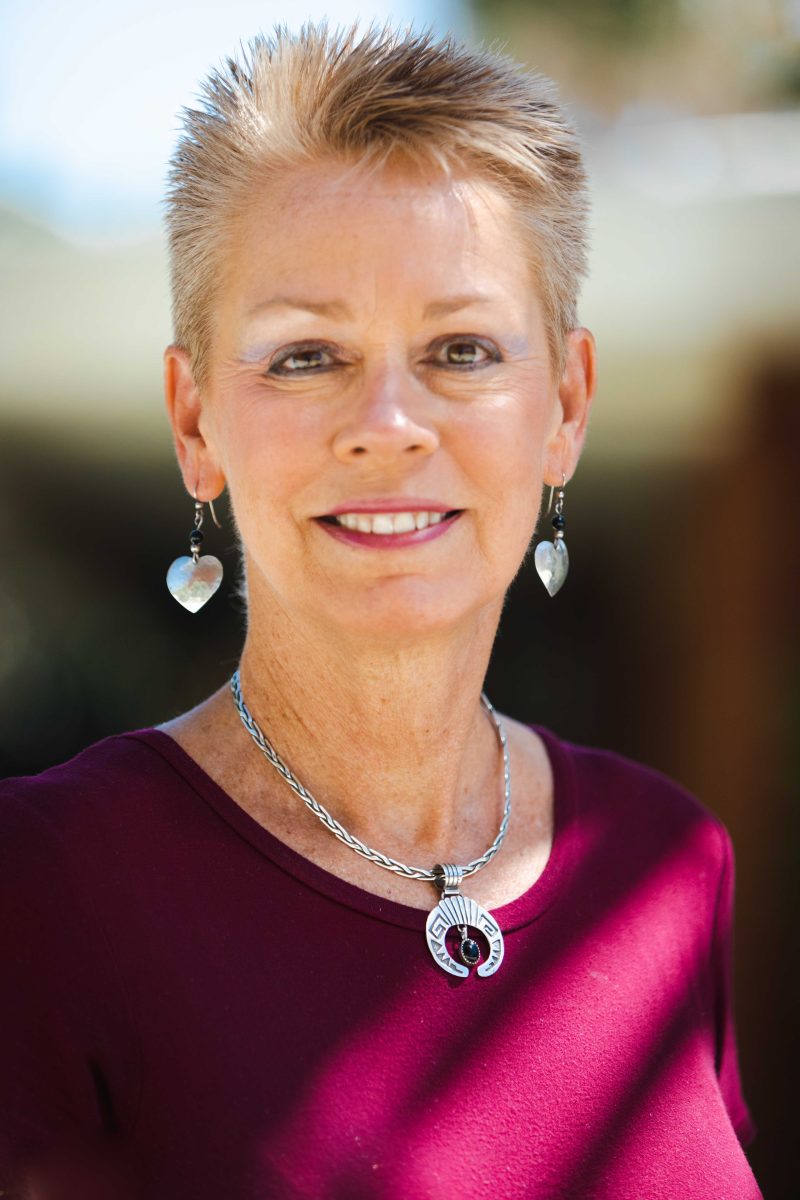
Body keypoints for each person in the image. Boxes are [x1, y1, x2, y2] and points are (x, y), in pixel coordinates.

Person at [0, 22, 761, 1200]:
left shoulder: (671, 863)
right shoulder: (42, 887)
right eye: (306, 356)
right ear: (193, 422)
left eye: (461, 349)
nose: (391, 422)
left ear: (564, 405)